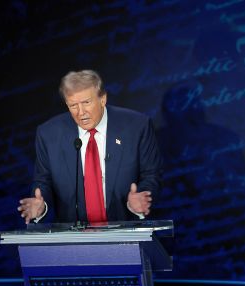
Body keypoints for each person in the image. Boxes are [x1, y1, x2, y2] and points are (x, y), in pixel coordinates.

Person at [17, 69, 161, 224]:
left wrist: (140, 198)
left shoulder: (137, 127)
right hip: (73, 237)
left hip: (126, 229)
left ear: (103, 99)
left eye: (86, 102)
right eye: (73, 105)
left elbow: (151, 174)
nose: (81, 112)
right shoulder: (48, 134)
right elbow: (43, 181)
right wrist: (41, 206)